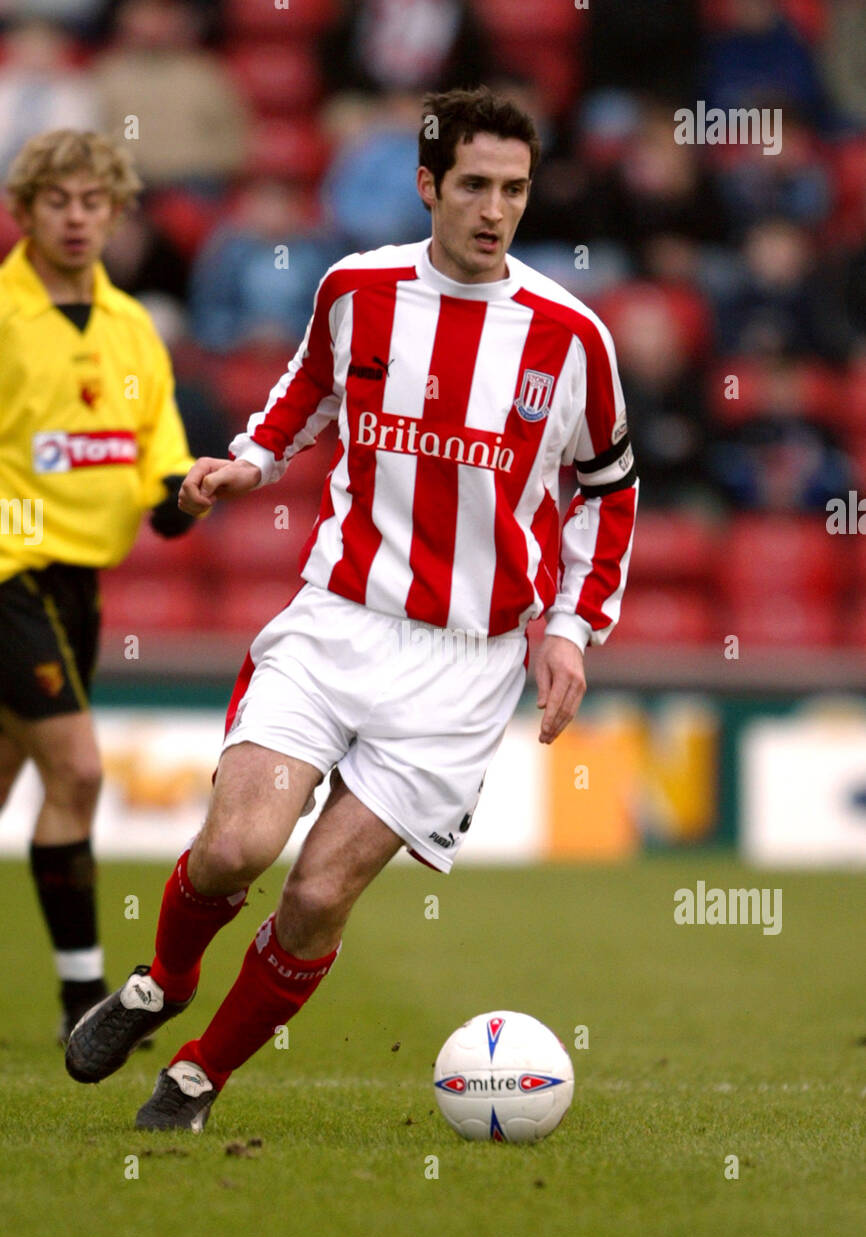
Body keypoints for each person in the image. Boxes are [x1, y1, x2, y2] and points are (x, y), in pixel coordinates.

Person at [66, 87, 639, 1132]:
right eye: (473, 184)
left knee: (319, 895)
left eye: (512, 189)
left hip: (464, 666)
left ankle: (195, 1078)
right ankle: (163, 980)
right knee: (238, 846)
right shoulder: (356, 290)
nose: (493, 208)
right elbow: (306, 393)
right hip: (339, 618)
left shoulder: (571, 338)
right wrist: (246, 461)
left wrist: (568, 625)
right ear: (427, 185)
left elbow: (606, 486)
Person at [0, 129, 196, 1041]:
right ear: (26, 209)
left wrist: (181, 497)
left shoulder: (130, 328)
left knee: (10, 777)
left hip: (80, 581)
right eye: (57, 202)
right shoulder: (4, 315)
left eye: (93, 203)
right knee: (78, 770)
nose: (76, 220)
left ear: (116, 213)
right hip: (10, 569)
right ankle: (85, 999)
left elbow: (158, 450)